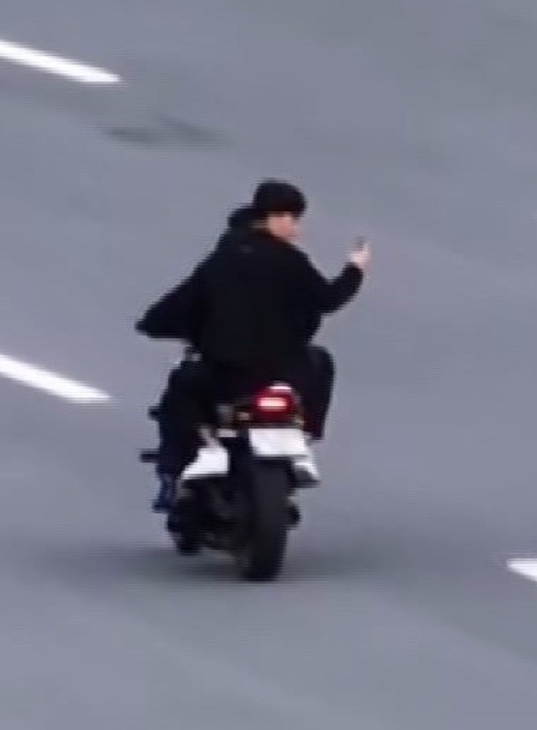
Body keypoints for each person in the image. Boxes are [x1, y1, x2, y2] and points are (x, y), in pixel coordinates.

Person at [137, 180, 368, 510]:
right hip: (285, 373)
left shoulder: (222, 261)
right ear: (274, 217)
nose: (296, 229)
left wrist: (152, 325)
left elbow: (177, 306)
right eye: (292, 219)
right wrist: (355, 269)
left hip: (225, 374)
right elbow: (328, 299)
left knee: (180, 392)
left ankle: (173, 473)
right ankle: (305, 434)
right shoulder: (290, 261)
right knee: (321, 362)